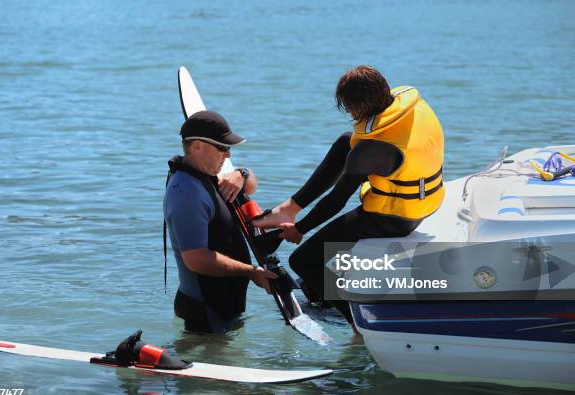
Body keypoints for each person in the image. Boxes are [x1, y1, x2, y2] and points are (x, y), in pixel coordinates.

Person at [253, 66, 445, 327]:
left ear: (358, 106)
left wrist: (299, 230)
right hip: (429, 201)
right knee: (347, 140)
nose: (350, 114)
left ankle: (357, 324)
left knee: (304, 260)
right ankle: (289, 207)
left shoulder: (371, 150)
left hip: (395, 217)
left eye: (349, 108)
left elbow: (337, 201)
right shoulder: (413, 108)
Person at [164, 110, 277, 333]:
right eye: (222, 148)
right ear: (197, 146)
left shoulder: (204, 172)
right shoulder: (187, 191)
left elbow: (251, 186)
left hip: (222, 310)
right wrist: (251, 271)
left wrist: (242, 173)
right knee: (192, 364)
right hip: (205, 313)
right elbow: (196, 259)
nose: (227, 155)